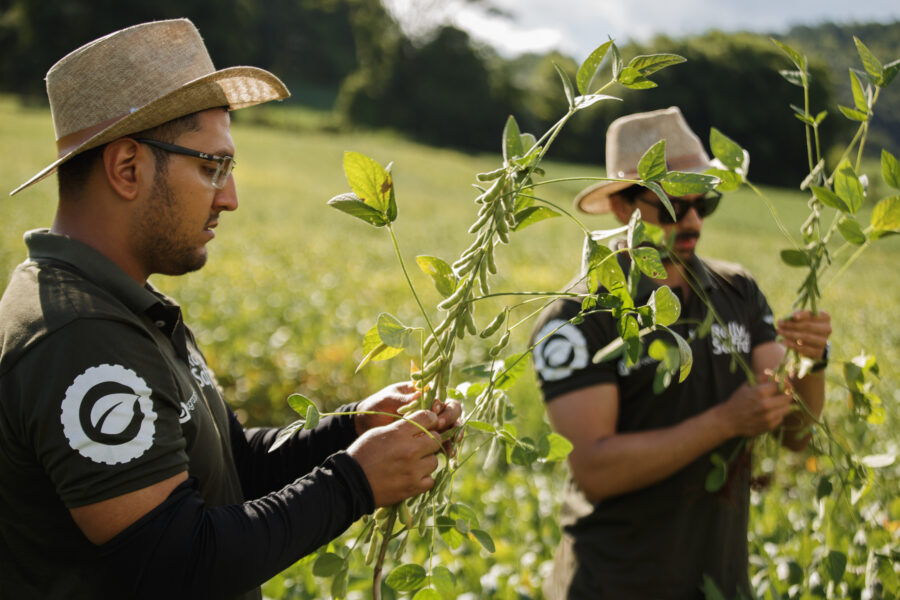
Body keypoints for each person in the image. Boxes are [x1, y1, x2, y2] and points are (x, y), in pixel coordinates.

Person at [0, 19, 460, 600]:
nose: (230, 197)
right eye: (211, 166)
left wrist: (348, 430)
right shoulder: (78, 337)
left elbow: (232, 471)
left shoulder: (130, 307)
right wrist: (355, 482)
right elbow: (177, 560)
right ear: (127, 168)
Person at [530, 107, 832, 599]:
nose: (692, 222)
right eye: (673, 206)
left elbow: (795, 433)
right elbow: (596, 469)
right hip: (614, 583)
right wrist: (727, 422)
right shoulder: (579, 318)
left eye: (703, 205)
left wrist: (813, 360)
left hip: (717, 581)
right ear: (621, 209)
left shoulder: (739, 293)